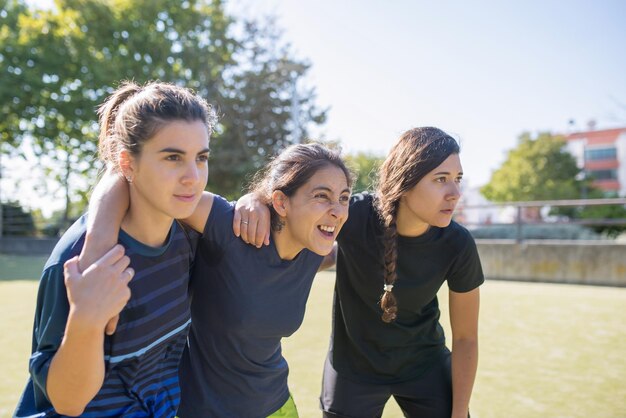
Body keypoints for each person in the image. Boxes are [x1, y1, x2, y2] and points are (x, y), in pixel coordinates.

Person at [76, 142, 353, 417]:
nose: (338, 211)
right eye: (322, 196)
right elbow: (134, 182)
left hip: (278, 406)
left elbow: (345, 252)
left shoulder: (316, 252)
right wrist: (95, 250)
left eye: (343, 198)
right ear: (281, 202)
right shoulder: (228, 225)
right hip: (205, 410)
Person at [238, 127, 483, 418]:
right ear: (405, 181)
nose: (455, 193)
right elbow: (296, 217)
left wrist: (458, 413)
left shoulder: (457, 243)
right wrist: (253, 200)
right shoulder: (353, 213)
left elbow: (466, 338)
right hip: (353, 368)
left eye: (457, 179)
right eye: (441, 179)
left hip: (424, 364)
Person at [14, 81, 216, 417]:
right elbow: (67, 401)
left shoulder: (186, 238)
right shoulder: (78, 261)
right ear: (127, 163)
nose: (193, 176)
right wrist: (87, 319)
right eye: (172, 157)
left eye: (202, 157)